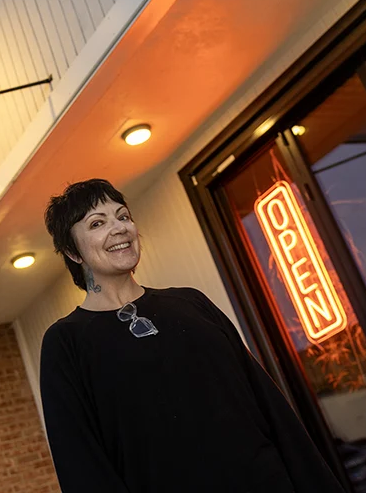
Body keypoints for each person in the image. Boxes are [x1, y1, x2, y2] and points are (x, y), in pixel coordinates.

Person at [40, 178, 346, 492]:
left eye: (123, 216)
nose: (119, 228)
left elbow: (270, 406)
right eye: (97, 223)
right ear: (72, 251)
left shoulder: (191, 303)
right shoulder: (66, 342)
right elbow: (81, 465)